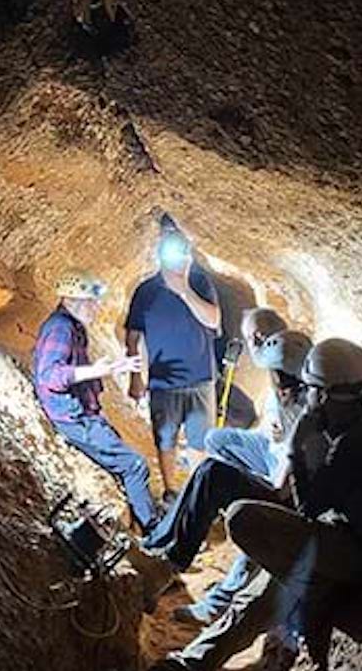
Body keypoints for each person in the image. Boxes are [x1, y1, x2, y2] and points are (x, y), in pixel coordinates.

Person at [99, 338, 362, 671]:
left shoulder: (359, 444)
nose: (307, 395)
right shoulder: (344, 428)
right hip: (332, 536)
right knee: (251, 581)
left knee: (248, 531)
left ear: (327, 393)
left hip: (356, 554)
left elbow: (307, 507)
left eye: (313, 389)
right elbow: (307, 504)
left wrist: (300, 445)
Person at [149, 328, 313, 625]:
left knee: (219, 482)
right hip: (282, 471)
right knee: (213, 455)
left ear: (279, 375)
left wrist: (246, 484)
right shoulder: (294, 396)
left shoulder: (307, 416)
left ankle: (178, 569)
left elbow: (282, 489)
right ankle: (158, 544)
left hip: (294, 501)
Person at [33, 269, 157, 531]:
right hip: (73, 418)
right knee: (134, 466)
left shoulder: (74, 327)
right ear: (71, 299)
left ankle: (141, 520)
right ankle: (155, 534)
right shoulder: (60, 328)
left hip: (83, 413)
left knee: (122, 455)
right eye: (91, 301)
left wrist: (111, 367)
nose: (96, 307)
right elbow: (48, 375)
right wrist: (96, 371)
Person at [125, 223, 221, 502]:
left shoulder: (201, 284)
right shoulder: (146, 291)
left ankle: (197, 495)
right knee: (165, 439)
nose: (176, 261)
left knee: (199, 442)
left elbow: (213, 320)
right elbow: (132, 336)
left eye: (180, 254)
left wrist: (184, 291)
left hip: (201, 380)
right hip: (163, 384)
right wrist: (136, 377)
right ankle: (170, 492)